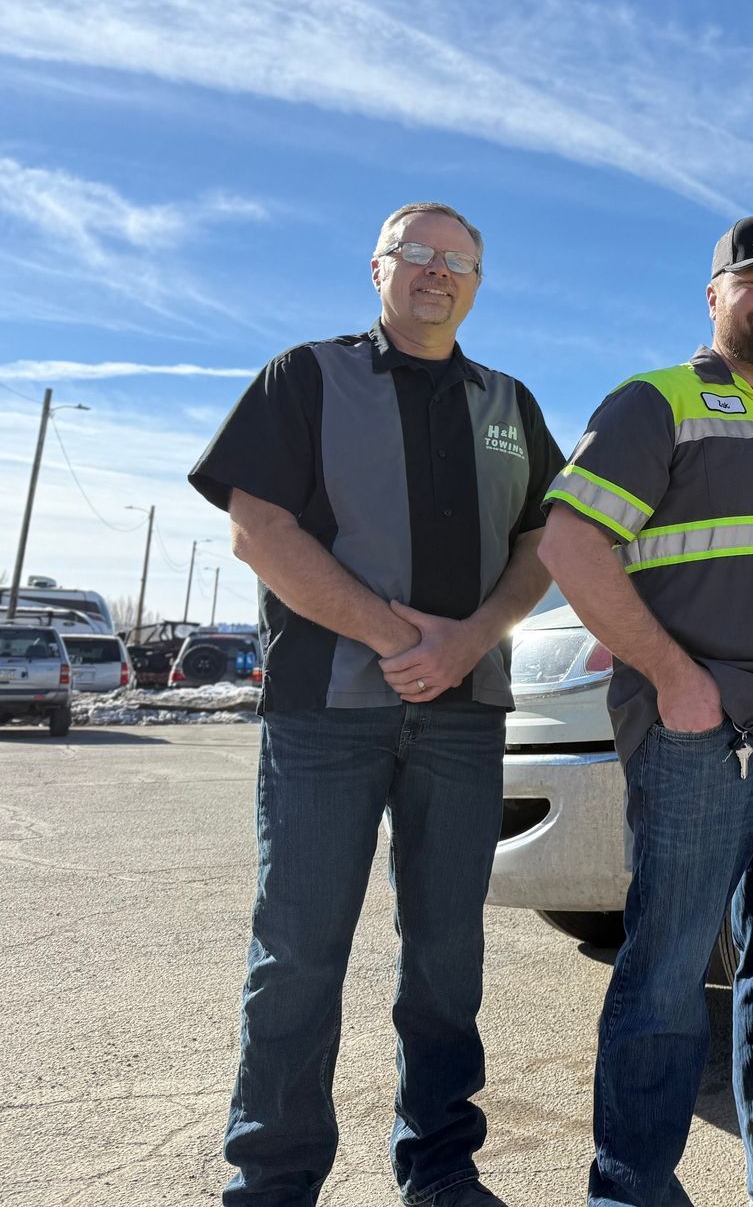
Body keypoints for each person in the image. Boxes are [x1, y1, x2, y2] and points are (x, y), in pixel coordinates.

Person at [191, 202, 565, 1207]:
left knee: (448, 958)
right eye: (419, 256)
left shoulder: (510, 402)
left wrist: (472, 639)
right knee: (300, 956)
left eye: (460, 262)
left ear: (478, 284)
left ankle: (440, 1167)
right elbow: (259, 529)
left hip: (465, 714)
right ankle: (272, 1181)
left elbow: (545, 544)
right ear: (378, 269)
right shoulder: (305, 378)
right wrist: (401, 637)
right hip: (326, 716)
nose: (438, 273)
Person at [537, 214, 753, 1207]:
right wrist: (674, 678)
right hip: (705, 738)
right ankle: (631, 1193)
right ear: (716, 296)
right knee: (667, 975)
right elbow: (570, 545)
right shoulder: (656, 402)